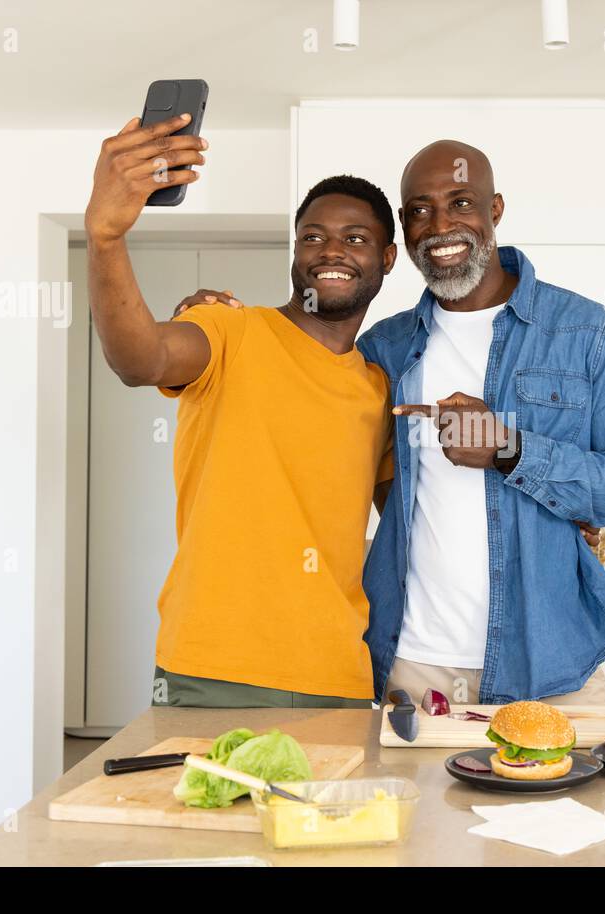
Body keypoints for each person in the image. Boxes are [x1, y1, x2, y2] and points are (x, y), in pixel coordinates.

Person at [181, 139, 605, 706]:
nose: (441, 225)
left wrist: (511, 450)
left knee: (553, 797)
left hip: (549, 665)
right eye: (421, 210)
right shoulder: (383, 348)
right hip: (410, 666)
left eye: (461, 203)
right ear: (404, 230)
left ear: (495, 210)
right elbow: (368, 477)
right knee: (401, 799)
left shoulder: (586, 332)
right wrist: (209, 321)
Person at [84, 113, 398, 707]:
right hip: (212, 667)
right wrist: (105, 238)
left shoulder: (380, 389)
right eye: (312, 236)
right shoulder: (230, 330)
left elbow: (410, 524)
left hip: (338, 674)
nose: (331, 249)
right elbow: (141, 359)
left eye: (355, 238)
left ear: (387, 258)